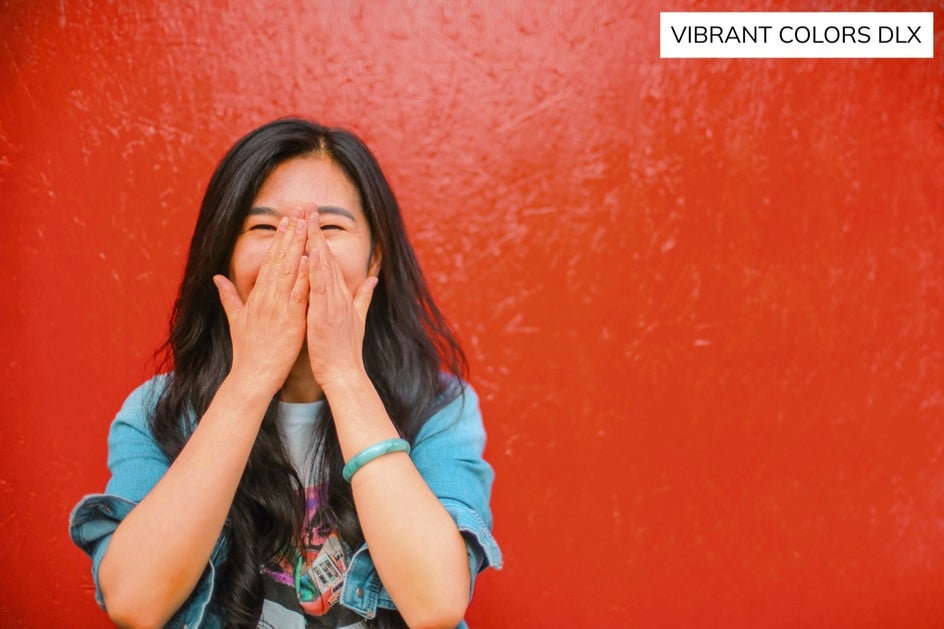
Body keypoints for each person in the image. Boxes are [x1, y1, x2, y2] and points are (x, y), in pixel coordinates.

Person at [69, 118, 501, 629]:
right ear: (225, 255)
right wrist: (251, 380)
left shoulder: (440, 409)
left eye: (330, 228)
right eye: (264, 228)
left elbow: (436, 606)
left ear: (375, 258)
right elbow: (135, 603)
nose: (299, 251)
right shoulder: (157, 412)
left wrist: (344, 374)